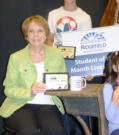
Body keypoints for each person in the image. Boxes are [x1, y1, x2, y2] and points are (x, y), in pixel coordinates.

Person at [0, 15, 66, 135]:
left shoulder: (56, 54)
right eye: (31, 31)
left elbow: (63, 79)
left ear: (45, 34)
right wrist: (29, 91)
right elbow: (9, 89)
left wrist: (69, 82)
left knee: (56, 130)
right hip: (20, 105)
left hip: (48, 104)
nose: (36, 35)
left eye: (40, 31)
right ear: (26, 36)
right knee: (29, 131)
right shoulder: (15, 58)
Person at [48, 1, 93, 135]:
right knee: (63, 105)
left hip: (77, 64)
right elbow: (50, 40)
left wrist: (87, 68)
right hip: (59, 64)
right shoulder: (53, 14)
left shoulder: (85, 16)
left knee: (80, 106)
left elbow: (87, 43)